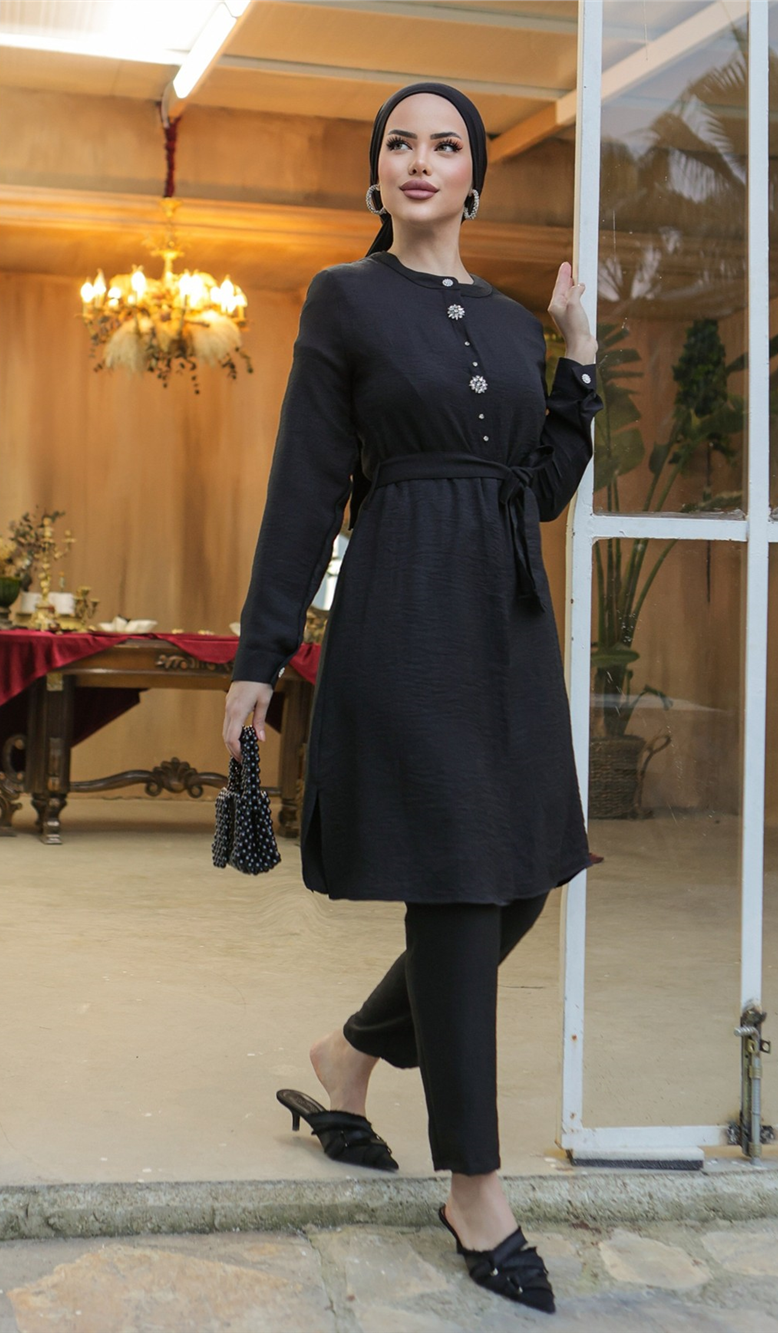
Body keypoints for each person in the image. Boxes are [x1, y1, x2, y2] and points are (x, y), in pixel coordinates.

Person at [222, 80, 602, 1315]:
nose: (421, 160)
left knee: (521, 878)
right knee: (455, 881)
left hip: (505, 629)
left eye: (445, 145)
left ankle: (348, 1054)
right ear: (377, 172)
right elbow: (304, 483)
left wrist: (578, 359)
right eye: (401, 144)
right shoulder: (345, 298)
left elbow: (538, 488)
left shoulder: (506, 320)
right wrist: (259, 654)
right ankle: (473, 1186)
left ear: (475, 175)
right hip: (404, 619)